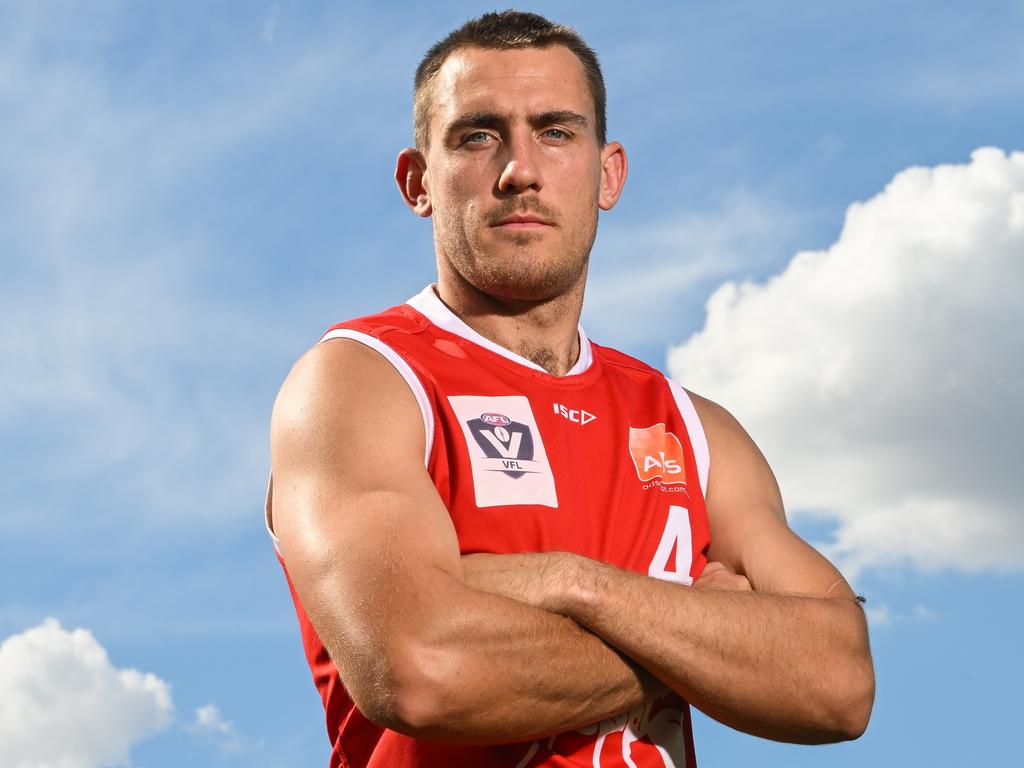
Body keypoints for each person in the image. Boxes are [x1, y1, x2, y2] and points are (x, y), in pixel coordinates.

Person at [266, 10, 874, 768]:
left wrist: (573, 586)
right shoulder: (362, 380)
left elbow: (838, 681)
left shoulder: (692, 427)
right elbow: (421, 672)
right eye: (478, 134)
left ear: (608, 173)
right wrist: (707, 637)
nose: (520, 168)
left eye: (555, 131)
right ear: (418, 181)